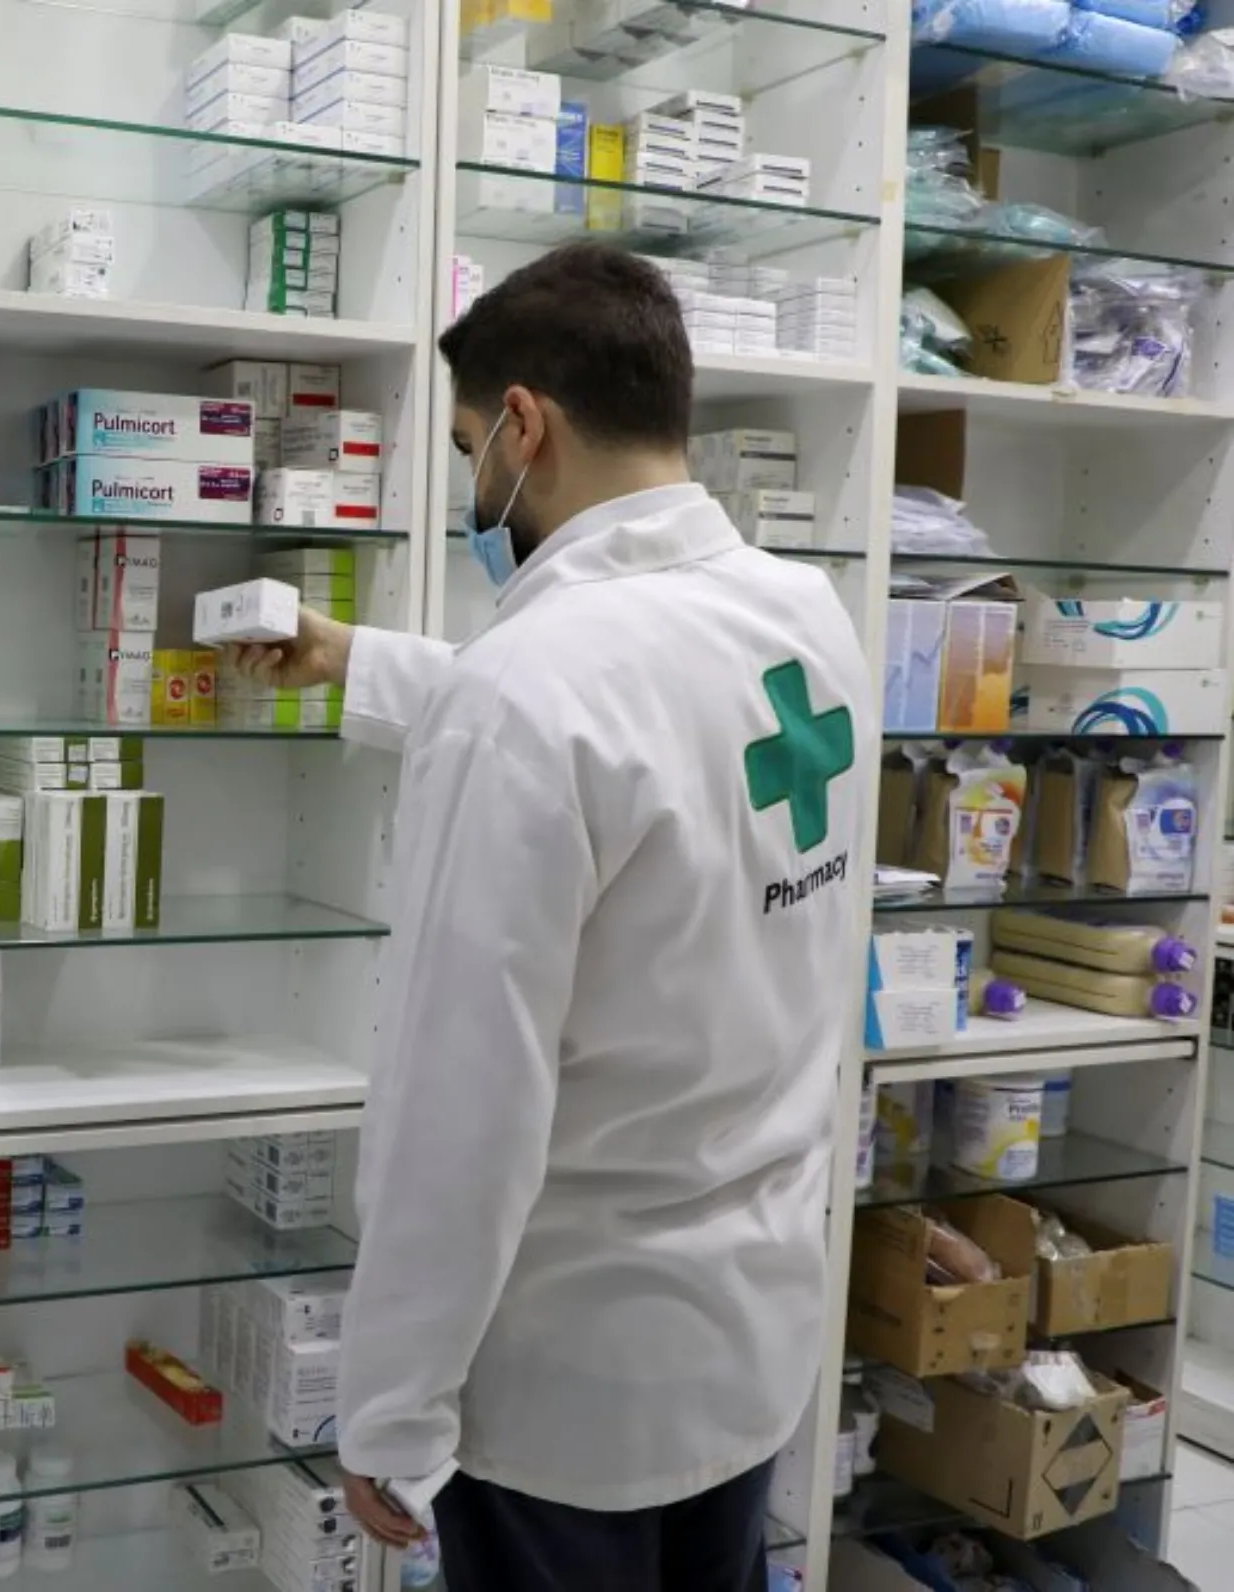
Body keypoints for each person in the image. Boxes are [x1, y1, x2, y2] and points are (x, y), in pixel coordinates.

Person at [234, 242, 871, 1592]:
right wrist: (372, 661)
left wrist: (391, 1409)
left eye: (470, 445)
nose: (475, 485)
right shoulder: (801, 616)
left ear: (526, 422)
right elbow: (646, 756)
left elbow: (457, 1113)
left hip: (568, 1394)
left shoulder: (534, 690)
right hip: (750, 1339)